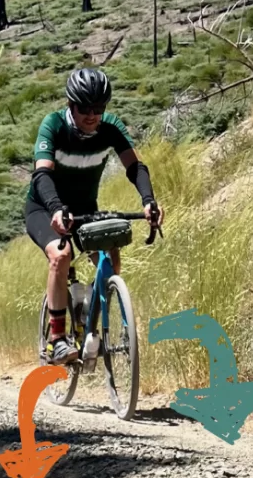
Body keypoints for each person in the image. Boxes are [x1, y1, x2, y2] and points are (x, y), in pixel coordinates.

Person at [25, 67, 165, 365]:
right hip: (44, 207)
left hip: (85, 209)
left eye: (99, 108)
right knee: (60, 257)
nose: (92, 115)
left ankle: (88, 315)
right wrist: (55, 209)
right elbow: (41, 175)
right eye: (84, 108)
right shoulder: (53, 125)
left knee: (110, 257)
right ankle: (56, 340)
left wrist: (149, 201)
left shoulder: (110, 127)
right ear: (70, 105)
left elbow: (135, 167)